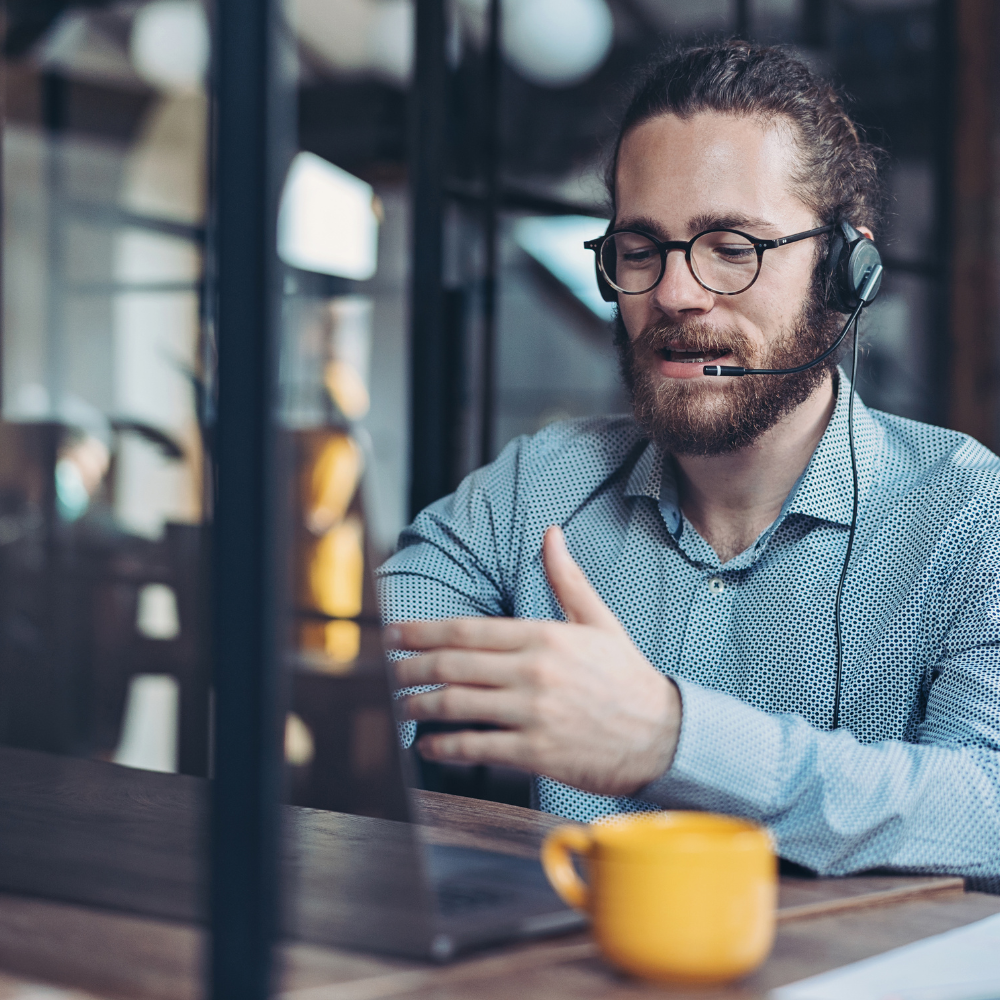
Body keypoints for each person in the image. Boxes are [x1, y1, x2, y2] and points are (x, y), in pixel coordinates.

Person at [376, 41, 1000, 890]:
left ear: (845, 269)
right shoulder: (539, 486)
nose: (674, 294)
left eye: (731, 245)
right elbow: (369, 663)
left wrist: (674, 739)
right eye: (641, 250)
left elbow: (986, 808)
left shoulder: (967, 511)